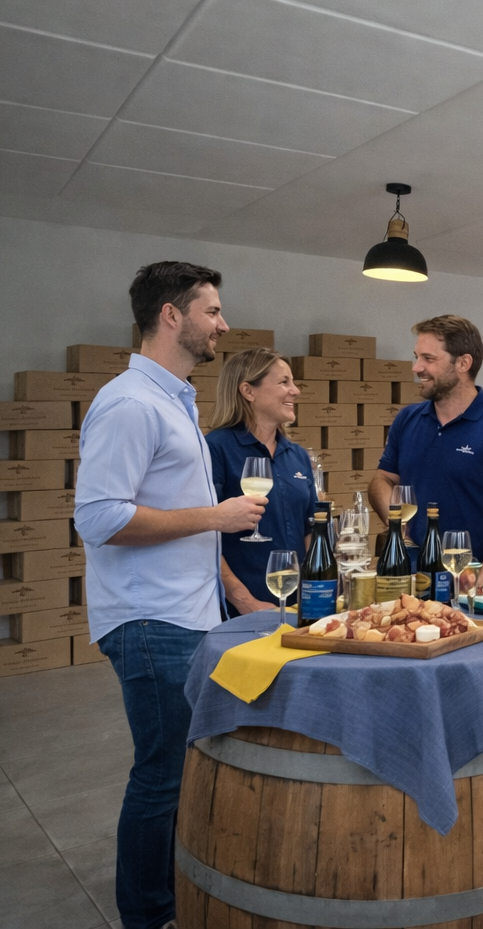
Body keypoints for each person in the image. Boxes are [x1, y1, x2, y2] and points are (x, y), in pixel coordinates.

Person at [75, 262, 267, 929]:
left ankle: (173, 892)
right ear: (170, 315)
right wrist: (216, 516)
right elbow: (99, 517)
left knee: (180, 769)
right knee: (160, 775)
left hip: (185, 616)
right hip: (150, 620)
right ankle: (149, 914)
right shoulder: (131, 404)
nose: (223, 324)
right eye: (211, 311)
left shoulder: (172, 401)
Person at [369, 316, 483, 596]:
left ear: (463, 363)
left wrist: (477, 588)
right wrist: (396, 521)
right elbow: (382, 479)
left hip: (475, 588)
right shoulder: (406, 420)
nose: (416, 368)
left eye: (428, 358)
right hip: (410, 583)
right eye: (416, 357)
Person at [206, 348, 319, 615]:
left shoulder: (298, 455)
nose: (295, 391)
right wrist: (244, 601)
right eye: (284, 382)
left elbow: (310, 529)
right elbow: (202, 536)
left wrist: (317, 590)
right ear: (248, 391)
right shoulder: (215, 448)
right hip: (238, 611)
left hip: (298, 606)